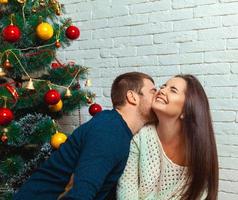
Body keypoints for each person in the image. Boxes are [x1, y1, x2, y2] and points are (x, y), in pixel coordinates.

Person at [14, 72, 157, 200]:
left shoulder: (115, 126)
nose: (158, 96)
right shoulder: (109, 131)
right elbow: (81, 194)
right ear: (132, 97)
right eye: (153, 92)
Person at [117, 74, 219, 200]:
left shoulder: (199, 153)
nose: (162, 90)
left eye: (173, 90)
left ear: (186, 110)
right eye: (164, 86)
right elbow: (126, 189)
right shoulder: (140, 137)